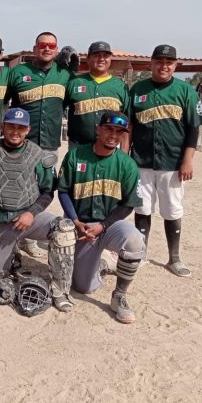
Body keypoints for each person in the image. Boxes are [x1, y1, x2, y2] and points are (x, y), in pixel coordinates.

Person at [55, 111, 146, 323]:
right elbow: (64, 191)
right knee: (84, 287)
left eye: (119, 132)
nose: (114, 135)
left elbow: (128, 205)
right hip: (81, 225)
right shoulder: (76, 156)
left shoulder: (127, 164)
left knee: (134, 240)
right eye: (109, 129)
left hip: (109, 225)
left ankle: (120, 295)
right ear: (98, 129)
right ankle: (103, 264)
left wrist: (103, 226)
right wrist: (76, 221)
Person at [0, 108, 58, 304]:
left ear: (28, 129)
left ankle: (60, 287)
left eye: (21, 127)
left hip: (28, 218)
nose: (16, 131)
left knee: (64, 230)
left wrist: (32, 213)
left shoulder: (38, 155)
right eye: (11, 126)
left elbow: (48, 192)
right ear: (2, 127)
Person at [129, 44, 202, 278]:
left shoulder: (186, 91)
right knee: (142, 209)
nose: (164, 66)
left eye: (169, 62)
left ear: (175, 65)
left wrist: (188, 160)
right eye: (159, 61)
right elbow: (129, 126)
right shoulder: (137, 90)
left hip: (172, 162)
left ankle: (174, 258)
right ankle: (140, 254)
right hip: (142, 160)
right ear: (151, 63)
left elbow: (193, 128)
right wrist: (126, 157)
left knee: (172, 210)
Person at [6, 31, 70, 257]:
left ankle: (30, 235)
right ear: (35, 48)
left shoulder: (64, 74)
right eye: (42, 45)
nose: (46, 48)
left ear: (56, 48)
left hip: (49, 142)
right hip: (23, 143)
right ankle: (14, 235)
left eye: (51, 45)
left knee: (43, 189)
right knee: (18, 187)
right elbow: (4, 102)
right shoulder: (19, 73)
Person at [66, 41, 130, 148]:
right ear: (88, 59)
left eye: (106, 55)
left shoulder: (120, 86)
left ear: (110, 59)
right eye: (96, 55)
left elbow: (127, 122)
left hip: (110, 147)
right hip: (78, 146)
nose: (101, 59)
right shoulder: (74, 83)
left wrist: (124, 152)